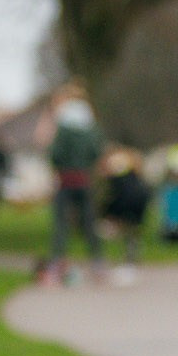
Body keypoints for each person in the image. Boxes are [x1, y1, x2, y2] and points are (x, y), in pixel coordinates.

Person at [45, 87, 105, 282]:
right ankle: (97, 262)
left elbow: (55, 154)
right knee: (89, 223)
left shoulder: (63, 126)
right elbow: (96, 151)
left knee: (61, 223)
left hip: (65, 180)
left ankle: (57, 261)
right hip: (84, 179)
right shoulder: (90, 126)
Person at [99, 148, 152, 282]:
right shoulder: (129, 164)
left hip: (129, 201)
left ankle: (125, 260)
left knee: (123, 231)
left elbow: (119, 195)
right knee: (132, 232)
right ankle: (130, 258)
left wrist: (110, 213)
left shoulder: (116, 172)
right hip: (139, 199)